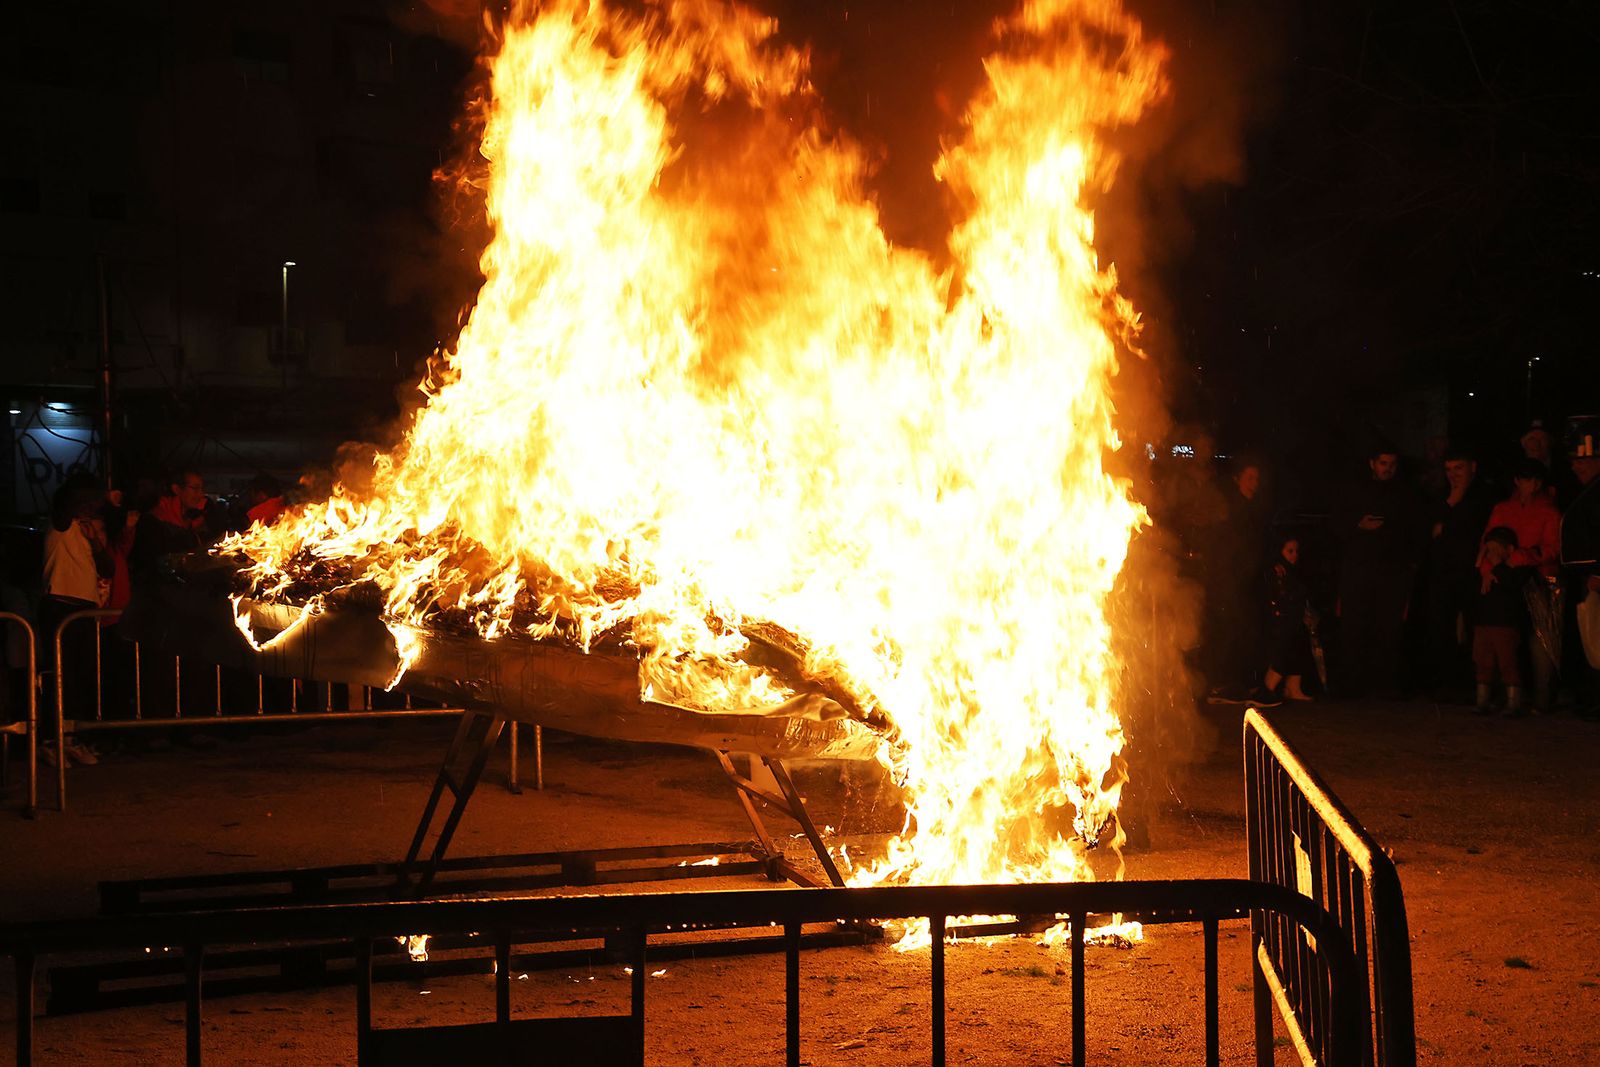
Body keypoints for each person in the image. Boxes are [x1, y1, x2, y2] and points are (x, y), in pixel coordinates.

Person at [1333, 447, 1425, 698]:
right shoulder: (1353, 490)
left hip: (1391, 573)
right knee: (1355, 626)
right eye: (1383, 463)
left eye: (1392, 463)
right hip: (1359, 571)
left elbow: (1413, 530)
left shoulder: (1404, 493)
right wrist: (1357, 524)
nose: (1388, 468)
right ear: (1372, 463)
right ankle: (1352, 686)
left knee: (1387, 628)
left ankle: (1383, 685)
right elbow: (1337, 525)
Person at [40, 480, 112, 766]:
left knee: (80, 679)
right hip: (59, 606)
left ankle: (70, 738)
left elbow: (108, 567)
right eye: (89, 503)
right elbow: (65, 502)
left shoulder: (86, 531)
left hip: (83, 609)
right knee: (60, 676)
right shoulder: (61, 525)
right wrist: (101, 496)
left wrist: (95, 539)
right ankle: (49, 740)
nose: (93, 508)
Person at [1482, 459, 1562, 714]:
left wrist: (1520, 557)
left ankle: (1541, 698)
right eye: (1528, 479)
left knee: (1540, 640)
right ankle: (1507, 693)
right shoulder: (1503, 509)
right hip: (1507, 581)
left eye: (1537, 480)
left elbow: (1553, 548)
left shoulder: (1549, 512)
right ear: (1517, 480)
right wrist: (1488, 571)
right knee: (1505, 638)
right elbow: (1488, 542)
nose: (1533, 485)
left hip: (1539, 580)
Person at [1421, 448, 1494, 699]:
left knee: (1475, 627)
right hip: (1443, 573)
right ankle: (1446, 682)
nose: (1453, 474)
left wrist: (1448, 521)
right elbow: (1430, 531)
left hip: (1473, 573)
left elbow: (1475, 530)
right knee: (1441, 625)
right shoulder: (1440, 496)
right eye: (1449, 469)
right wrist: (1450, 504)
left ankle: (1474, 683)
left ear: (1472, 466)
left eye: (1458, 468)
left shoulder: (1486, 496)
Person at [1204, 459, 1269, 702]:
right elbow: (1223, 547)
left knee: (1247, 632)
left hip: (1248, 582)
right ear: (1237, 479)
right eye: (1250, 478)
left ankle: (1242, 683)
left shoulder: (1255, 509)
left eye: (1257, 479)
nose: (1254, 483)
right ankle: (1221, 685)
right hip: (1228, 581)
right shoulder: (1228, 508)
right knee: (1227, 631)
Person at [1560, 422, 1600, 719]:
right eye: (1574, 461)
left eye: (1582, 461)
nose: (1576, 467)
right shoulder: (1588, 492)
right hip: (1585, 578)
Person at [1471, 527, 1528, 715]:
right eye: (1489, 550)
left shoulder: (1516, 571)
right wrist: (1481, 565)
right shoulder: (1485, 573)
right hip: (1484, 624)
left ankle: (1513, 703)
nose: (1492, 554)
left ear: (1510, 550)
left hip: (1505, 625)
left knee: (1507, 662)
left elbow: (1512, 586)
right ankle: (1483, 700)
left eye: (1496, 549)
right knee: (1482, 661)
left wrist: (1498, 568)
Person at [1256, 535, 1315, 705]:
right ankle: (1267, 689)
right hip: (1280, 621)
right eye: (1289, 551)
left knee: (1300, 645)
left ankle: (1293, 687)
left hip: (1294, 620)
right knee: (1287, 647)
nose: (1294, 555)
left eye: (1296, 551)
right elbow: (1278, 598)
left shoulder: (1295, 571)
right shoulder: (1276, 570)